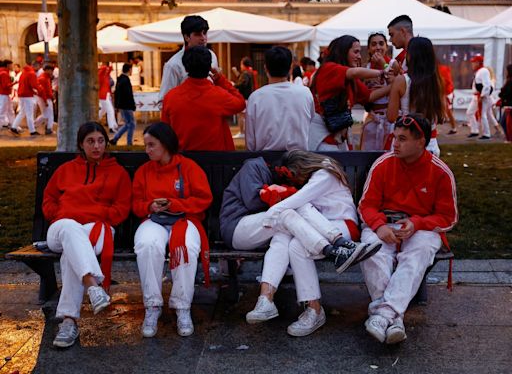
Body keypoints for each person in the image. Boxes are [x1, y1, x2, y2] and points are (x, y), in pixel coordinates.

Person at [244, 151, 381, 337]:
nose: (296, 181)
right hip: (325, 228)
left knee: (298, 219)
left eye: (294, 176)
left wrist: (272, 213)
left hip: (343, 226)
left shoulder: (324, 174)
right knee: (295, 246)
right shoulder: (319, 175)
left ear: (300, 168)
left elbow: (298, 200)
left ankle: (340, 250)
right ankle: (314, 306)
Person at [358, 114, 458, 345]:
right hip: (384, 224)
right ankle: (395, 318)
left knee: (419, 252)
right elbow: (367, 205)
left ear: (420, 142)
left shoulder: (440, 172)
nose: (395, 144)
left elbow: (448, 217)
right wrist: (380, 226)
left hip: (420, 227)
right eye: (394, 137)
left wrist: (418, 224)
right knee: (373, 250)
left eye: (402, 139)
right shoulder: (384, 164)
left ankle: (382, 315)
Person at [43, 122, 132, 348]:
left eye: (101, 141)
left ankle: (69, 321)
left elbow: (122, 208)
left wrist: (98, 214)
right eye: (90, 141)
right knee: (71, 229)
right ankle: (93, 286)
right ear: (81, 145)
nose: (96, 146)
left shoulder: (117, 172)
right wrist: (62, 215)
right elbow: (49, 200)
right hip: (62, 228)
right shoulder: (65, 170)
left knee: (70, 253)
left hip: (98, 227)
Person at [132, 122, 213, 337]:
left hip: (185, 219)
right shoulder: (144, 171)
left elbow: (204, 199)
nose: (147, 150)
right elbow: (136, 204)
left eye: (152, 145)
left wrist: (175, 204)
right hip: (154, 220)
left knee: (185, 247)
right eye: (146, 145)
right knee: (147, 244)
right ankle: (152, 306)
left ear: (165, 144)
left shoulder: (188, 167)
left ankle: (182, 307)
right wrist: (150, 206)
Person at [308, 35, 392, 151]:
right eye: (356, 52)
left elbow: (369, 96)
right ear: (343, 52)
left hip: (338, 136)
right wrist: (383, 72)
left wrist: (393, 86)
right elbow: (354, 73)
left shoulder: (351, 75)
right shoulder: (329, 68)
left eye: (381, 43)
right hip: (322, 136)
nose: (358, 56)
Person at [161, 45, 245, 151]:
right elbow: (240, 103)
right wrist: (220, 79)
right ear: (209, 67)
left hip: (183, 161)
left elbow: (164, 132)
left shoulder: (170, 97)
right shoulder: (218, 95)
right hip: (215, 161)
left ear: (186, 68)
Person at [245, 46, 315, 151]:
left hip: (265, 161)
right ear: (290, 68)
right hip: (299, 162)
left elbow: (250, 143)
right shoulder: (305, 93)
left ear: (265, 68)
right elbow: (310, 124)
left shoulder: (256, 97)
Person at [387, 37, 446, 157]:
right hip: (431, 145)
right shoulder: (437, 81)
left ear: (410, 56)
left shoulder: (401, 81)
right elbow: (441, 116)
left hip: (405, 143)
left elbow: (391, 116)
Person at [158, 15, 219, 103]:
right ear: (186, 37)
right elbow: (163, 101)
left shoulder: (212, 55)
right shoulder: (173, 64)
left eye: (205, 33)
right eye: (198, 34)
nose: (203, 38)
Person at [360, 32, 394, 150]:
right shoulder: (365, 68)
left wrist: (383, 64)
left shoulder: (394, 65)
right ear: (369, 49)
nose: (378, 47)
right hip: (372, 118)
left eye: (381, 44)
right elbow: (364, 97)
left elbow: (399, 90)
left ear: (387, 47)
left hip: (390, 120)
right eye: (374, 44)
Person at [465, 55, 496, 140]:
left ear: (478, 63)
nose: (472, 64)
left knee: (482, 115)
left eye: (474, 62)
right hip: (477, 95)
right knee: (470, 112)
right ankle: (474, 130)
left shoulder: (483, 71)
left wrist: (482, 96)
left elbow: (487, 85)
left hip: (481, 96)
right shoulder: (479, 71)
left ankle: (486, 133)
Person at [10, 63, 42, 136]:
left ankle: (14, 127)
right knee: (29, 113)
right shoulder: (31, 73)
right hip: (28, 96)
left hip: (21, 95)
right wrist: (40, 90)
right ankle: (32, 131)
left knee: (22, 112)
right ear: (35, 66)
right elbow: (34, 85)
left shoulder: (23, 73)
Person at [111, 63, 136, 146]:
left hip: (123, 105)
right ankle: (129, 143)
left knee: (128, 124)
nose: (132, 71)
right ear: (129, 69)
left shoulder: (121, 79)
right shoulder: (125, 80)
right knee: (131, 124)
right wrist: (132, 105)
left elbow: (117, 93)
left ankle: (115, 139)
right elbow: (128, 94)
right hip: (126, 105)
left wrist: (117, 105)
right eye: (131, 69)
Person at [232, 56, 255, 139]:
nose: (240, 66)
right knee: (245, 116)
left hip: (244, 97)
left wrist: (233, 85)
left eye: (241, 64)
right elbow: (242, 80)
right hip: (248, 97)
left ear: (244, 65)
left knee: (241, 115)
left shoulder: (245, 73)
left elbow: (242, 83)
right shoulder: (249, 72)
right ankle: (244, 132)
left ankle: (242, 132)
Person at [34, 64, 55, 135]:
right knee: (48, 114)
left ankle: (47, 128)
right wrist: (46, 100)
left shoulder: (45, 77)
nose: (52, 72)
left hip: (44, 98)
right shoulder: (43, 78)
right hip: (44, 98)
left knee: (47, 114)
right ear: (47, 70)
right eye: (51, 70)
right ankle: (47, 128)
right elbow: (43, 91)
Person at [98, 62, 118, 133]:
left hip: (106, 95)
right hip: (103, 96)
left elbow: (108, 70)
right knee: (110, 111)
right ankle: (111, 127)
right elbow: (102, 71)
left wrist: (110, 67)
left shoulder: (106, 75)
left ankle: (94, 120)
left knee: (103, 111)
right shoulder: (100, 75)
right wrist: (105, 68)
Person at [438, 63, 457, 134]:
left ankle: (454, 128)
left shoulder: (442, 70)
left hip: (447, 93)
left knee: (448, 111)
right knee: (446, 110)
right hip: (445, 93)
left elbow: (445, 83)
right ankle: (453, 127)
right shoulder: (443, 69)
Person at [499, 64, 512, 142]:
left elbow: (507, 92)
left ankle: (509, 138)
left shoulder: (510, 81)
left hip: (509, 105)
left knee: (505, 122)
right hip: (508, 104)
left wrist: (502, 95)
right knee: (504, 122)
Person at [0, 60, 14, 128]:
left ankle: (14, 125)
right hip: (3, 94)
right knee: (3, 110)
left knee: (9, 110)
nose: (12, 66)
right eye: (11, 65)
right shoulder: (4, 73)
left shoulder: (4, 72)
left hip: (4, 94)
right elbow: (5, 86)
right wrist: (15, 83)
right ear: (8, 65)